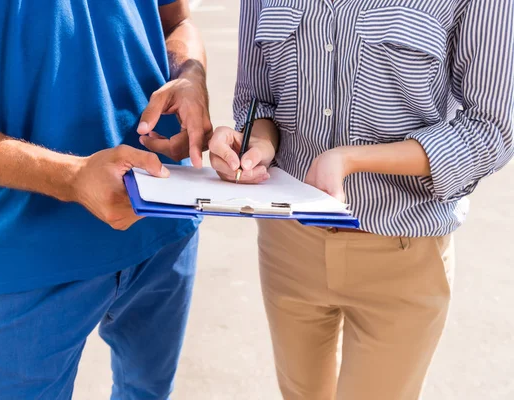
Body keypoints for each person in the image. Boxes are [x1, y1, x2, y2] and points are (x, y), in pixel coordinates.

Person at [210, 1, 514, 399]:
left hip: (403, 253)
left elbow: (491, 129)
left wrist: (351, 159)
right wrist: (256, 146)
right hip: (289, 246)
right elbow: (259, 101)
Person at [0, 0, 211, 398]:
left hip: (163, 222)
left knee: (149, 391)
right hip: (27, 250)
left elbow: (176, 20)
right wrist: (71, 177)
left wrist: (191, 76)